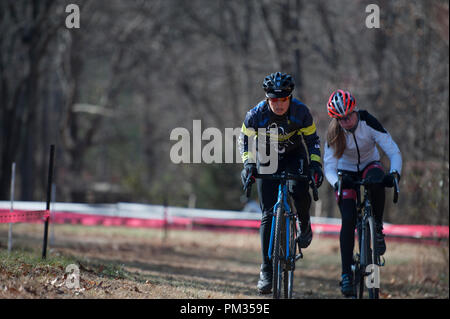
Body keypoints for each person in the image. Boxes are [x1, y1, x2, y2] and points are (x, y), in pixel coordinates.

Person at [239, 72, 323, 294]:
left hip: (295, 155)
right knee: (267, 213)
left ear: (290, 97)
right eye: (273, 99)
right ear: (267, 98)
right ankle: (266, 269)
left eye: (283, 99)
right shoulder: (256, 114)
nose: (278, 104)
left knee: (299, 191)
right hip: (268, 157)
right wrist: (248, 165)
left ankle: (304, 224)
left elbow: (313, 141)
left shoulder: (301, 112)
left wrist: (315, 165)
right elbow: (245, 140)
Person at [323, 90, 402, 297]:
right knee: (348, 219)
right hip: (345, 170)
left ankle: (376, 227)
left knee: (376, 179)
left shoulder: (368, 122)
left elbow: (393, 151)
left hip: (370, 164)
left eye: (348, 116)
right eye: (340, 119)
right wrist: (337, 182)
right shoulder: (334, 132)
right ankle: (346, 273)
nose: (346, 121)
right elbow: (329, 167)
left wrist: (394, 174)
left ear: (355, 110)